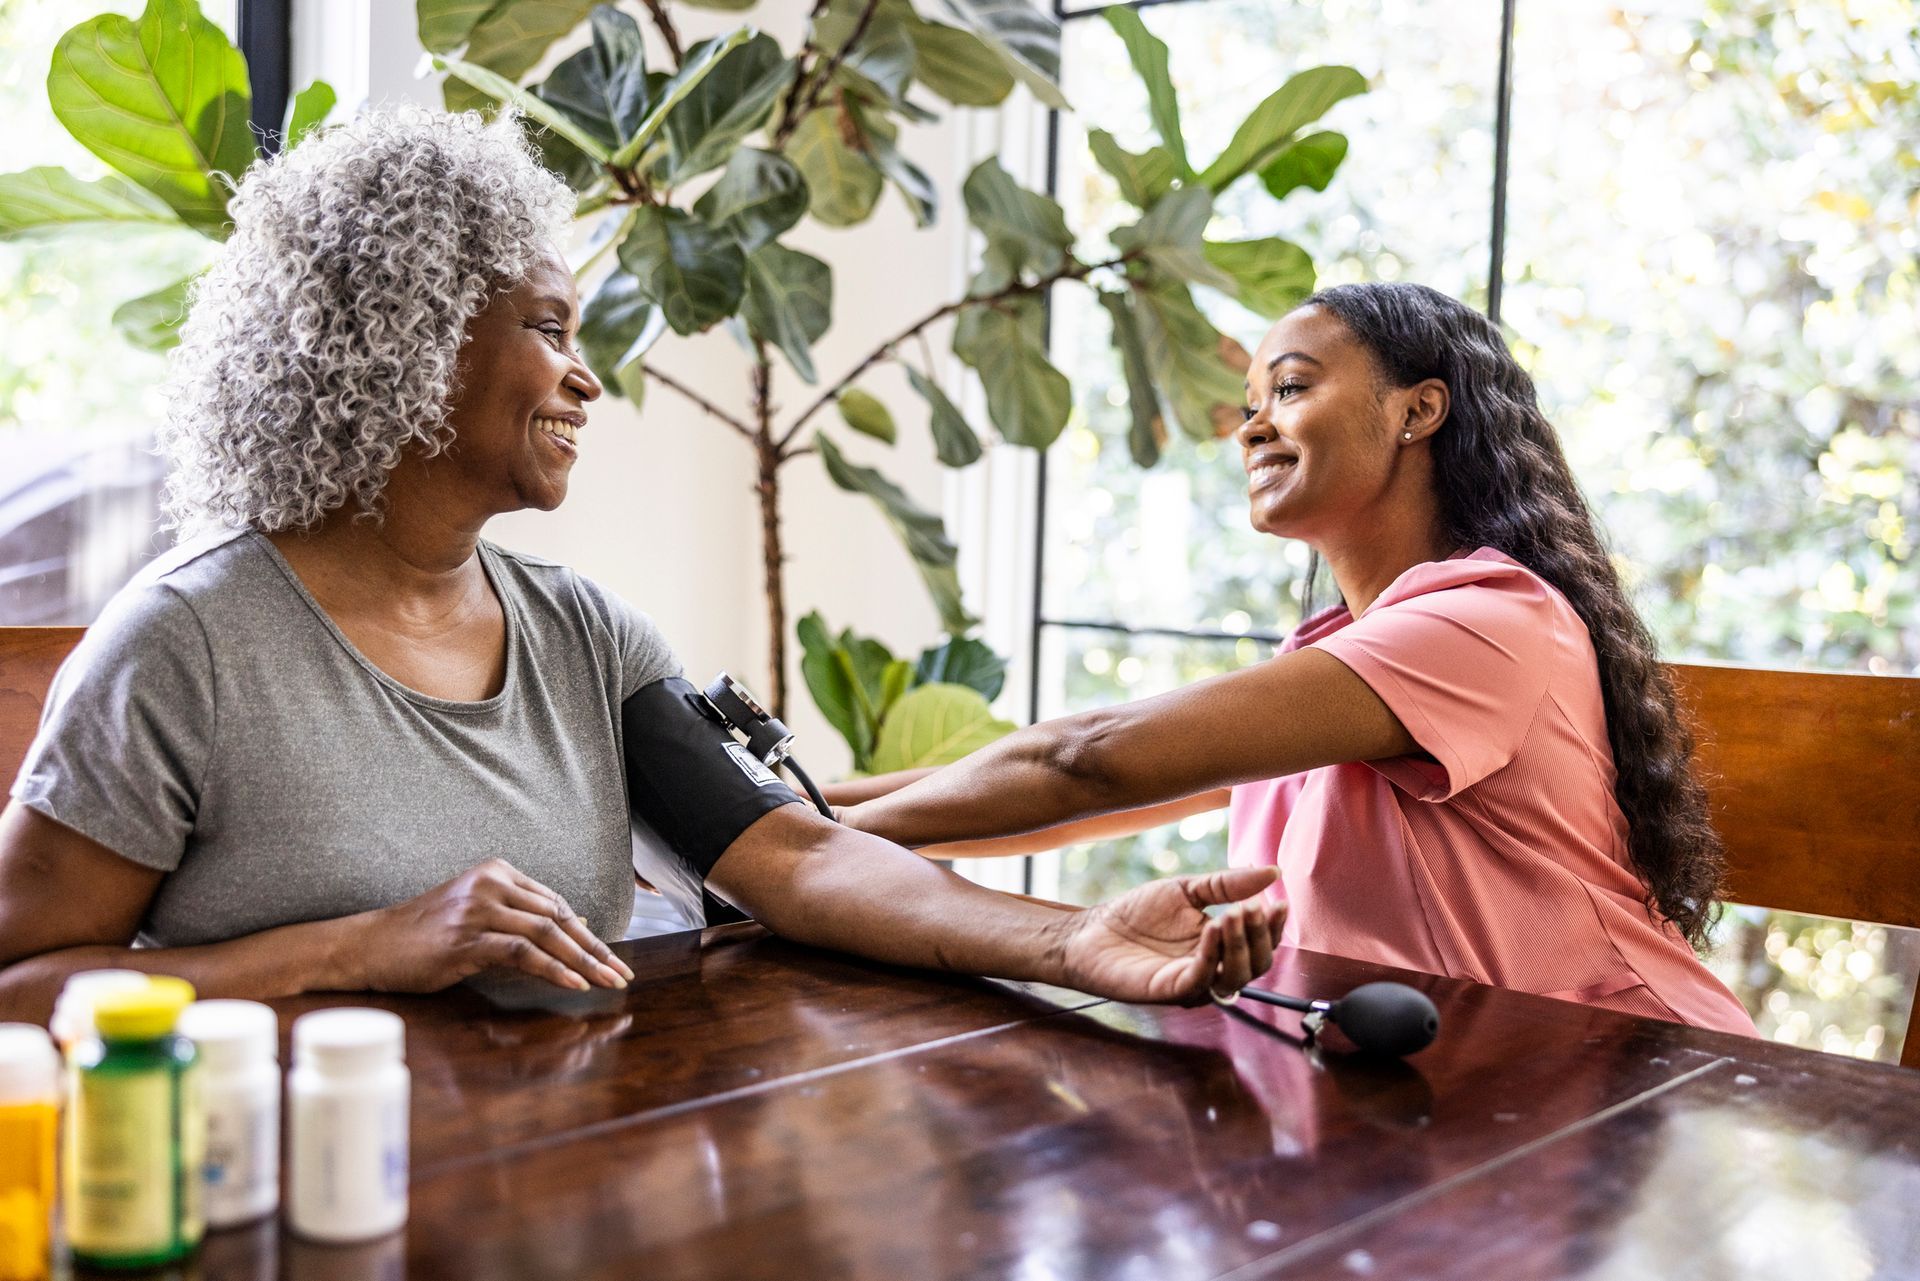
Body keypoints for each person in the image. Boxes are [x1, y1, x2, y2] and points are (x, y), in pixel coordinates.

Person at [0, 108, 1286, 1024]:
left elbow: (799, 858)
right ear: (407, 337)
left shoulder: (583, 633)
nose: (585, 372)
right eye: (548, 328)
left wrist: (1078, 940)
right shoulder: (183, 643)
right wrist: (362, 947)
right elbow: (23, 995)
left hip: (554, 1183)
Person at [835, 282, 1757, 1036]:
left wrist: (785, 843)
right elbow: (1069, 804)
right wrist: (801, 810)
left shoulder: (1486, 623)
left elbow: (1090, 758)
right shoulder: (1338, 656)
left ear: (1419, 410)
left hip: (1637, 1084)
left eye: (1290, 388)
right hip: (1454, 1091)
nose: (1250, 428)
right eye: (1249, 406)